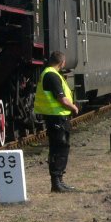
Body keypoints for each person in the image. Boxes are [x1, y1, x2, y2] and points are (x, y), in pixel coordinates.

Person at [34, 51, 80, 192]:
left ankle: (59, 180)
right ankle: (56, 182)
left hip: (58, 117)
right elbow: (62, 99)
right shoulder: (51, 75)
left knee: (61, 147)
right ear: (62, 63)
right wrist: (74, 108)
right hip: (56, 117)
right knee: (59, 148)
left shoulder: (49, 73)